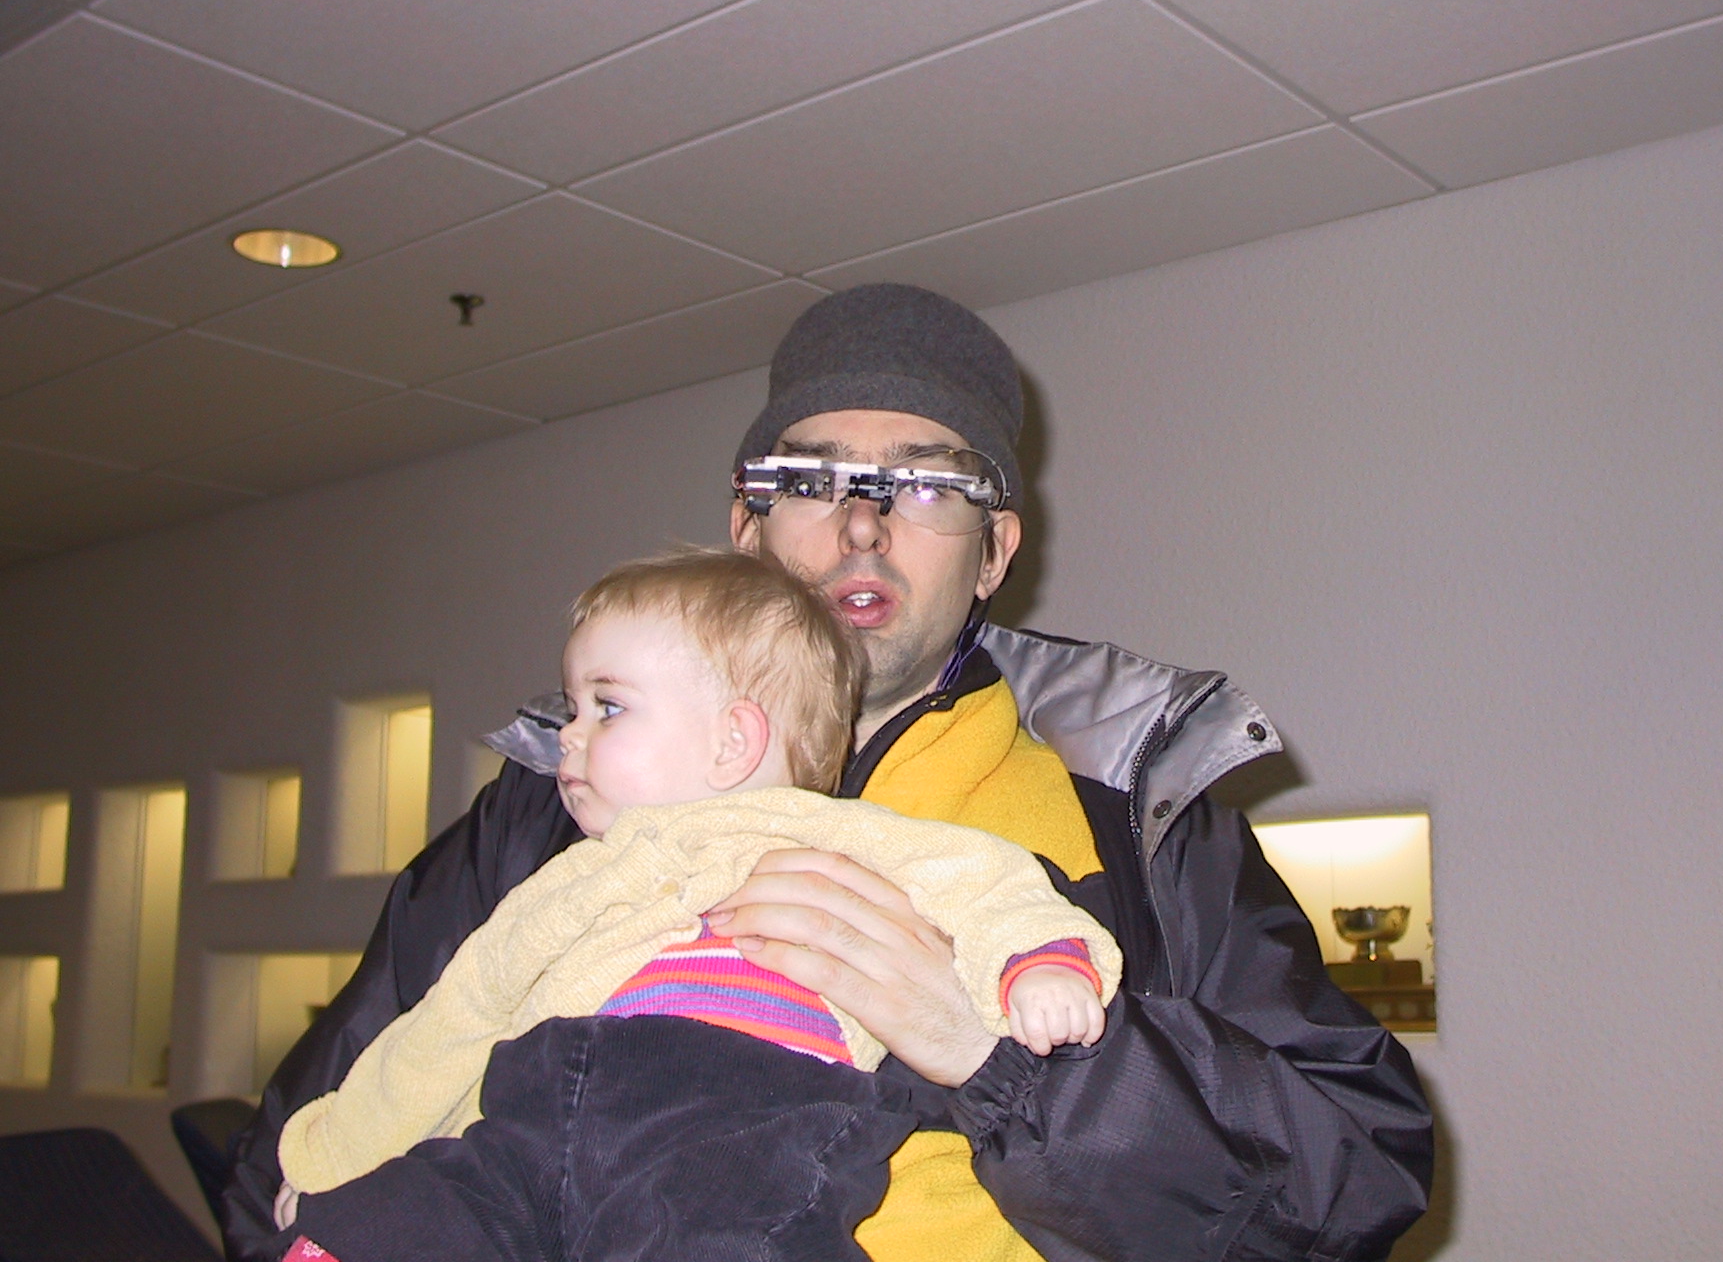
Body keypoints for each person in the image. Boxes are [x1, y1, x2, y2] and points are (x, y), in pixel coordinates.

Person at [224, 282, 1434, 1262]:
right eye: (808, 481)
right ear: (745, 527)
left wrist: (1002, 1062)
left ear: (992, 551)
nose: (861, 525)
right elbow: (294, 1170)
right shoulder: (551, 811)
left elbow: (1349, 1186)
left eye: (926, 483)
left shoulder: (1136, 820)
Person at [268, 546, 1117, 1262]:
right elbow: (454, 1022)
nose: (568, 735)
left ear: (732, 740)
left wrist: (1039, 960)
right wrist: (334, 1159)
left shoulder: (826, 839)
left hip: (742, 1131)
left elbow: (981, 878)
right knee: (413, 1207)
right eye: (572, 708)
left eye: (607, 707)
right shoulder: (568, 883)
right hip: (545, 1112)